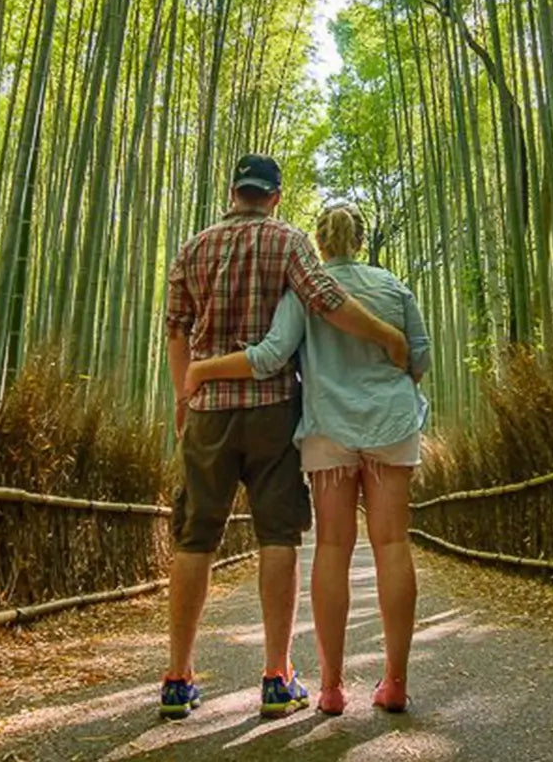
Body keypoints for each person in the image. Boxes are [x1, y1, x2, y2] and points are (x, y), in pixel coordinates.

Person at [161, 155, 409, 720]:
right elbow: (327, 301)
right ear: (274, 196)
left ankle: (177, 678)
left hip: (209, 411)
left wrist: (184, 397)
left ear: (233, 192)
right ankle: (277, 675)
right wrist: (387, 335)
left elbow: (176, 331)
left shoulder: (193, 247)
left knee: (195, 535)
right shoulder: (289, 241)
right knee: (279, 535)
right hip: (274, 408)